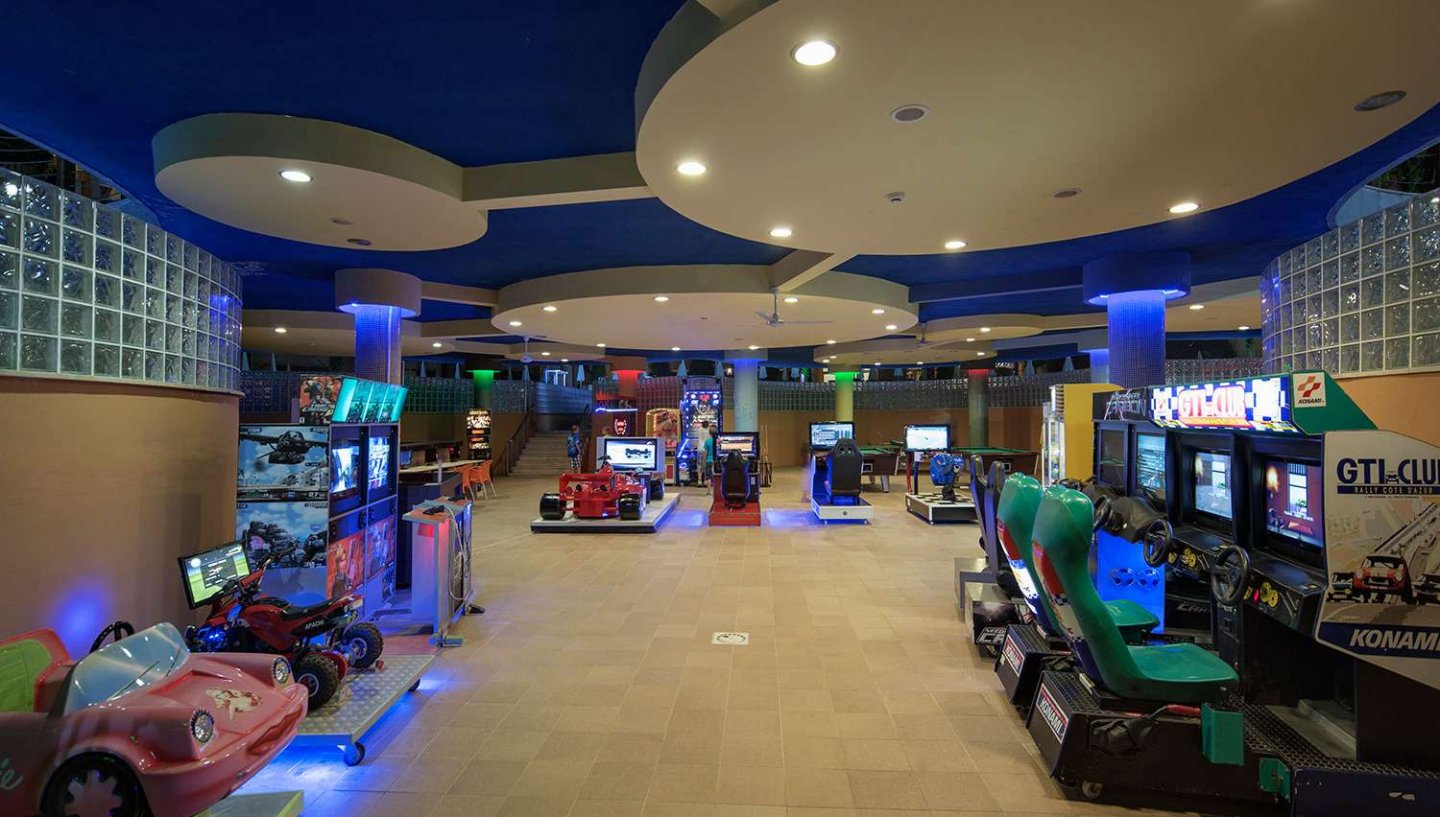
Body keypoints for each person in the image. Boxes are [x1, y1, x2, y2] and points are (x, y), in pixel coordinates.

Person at [699, 420, 715, 486]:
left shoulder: (700, 430)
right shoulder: (709, 432)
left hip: (701, 448)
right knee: (712, 470)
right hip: (712, 458)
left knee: (700, 466)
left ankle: (700, 480)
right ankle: (710, 482)